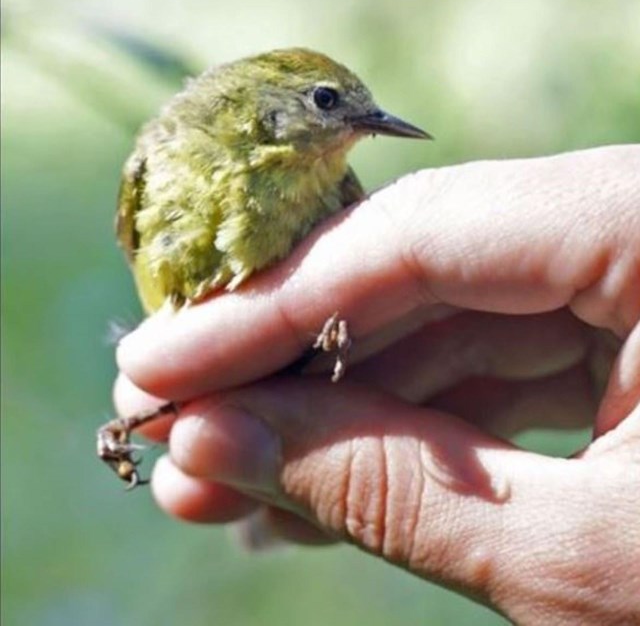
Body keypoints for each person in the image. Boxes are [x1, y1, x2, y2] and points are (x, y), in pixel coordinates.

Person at [114, 145, 639, 624]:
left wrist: (340, 325)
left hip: (295, 364)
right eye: (325, 101)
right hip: (213, 375)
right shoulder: (159, 161)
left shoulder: (328, 185)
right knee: (182, 396)